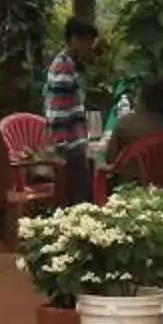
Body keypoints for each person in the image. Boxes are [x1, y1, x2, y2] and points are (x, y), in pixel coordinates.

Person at [45, 14, 100, 203]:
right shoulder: (63, 66)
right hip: (69, 142)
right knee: (81, 196)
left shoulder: (69, 63)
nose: (90, 47)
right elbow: (58, 108)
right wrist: (61, 143)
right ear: (75, 39)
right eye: (88, 41)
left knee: (80, 192)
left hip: (75, 140)